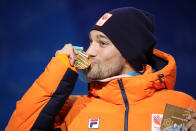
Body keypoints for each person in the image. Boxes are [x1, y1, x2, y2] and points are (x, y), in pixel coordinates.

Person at [6, 7, 196, 131]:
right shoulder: (71, 108)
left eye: (102, 43)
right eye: (90, 42)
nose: (89, 51)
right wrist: (60, 67)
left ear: (129, 52)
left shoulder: (179, 106)